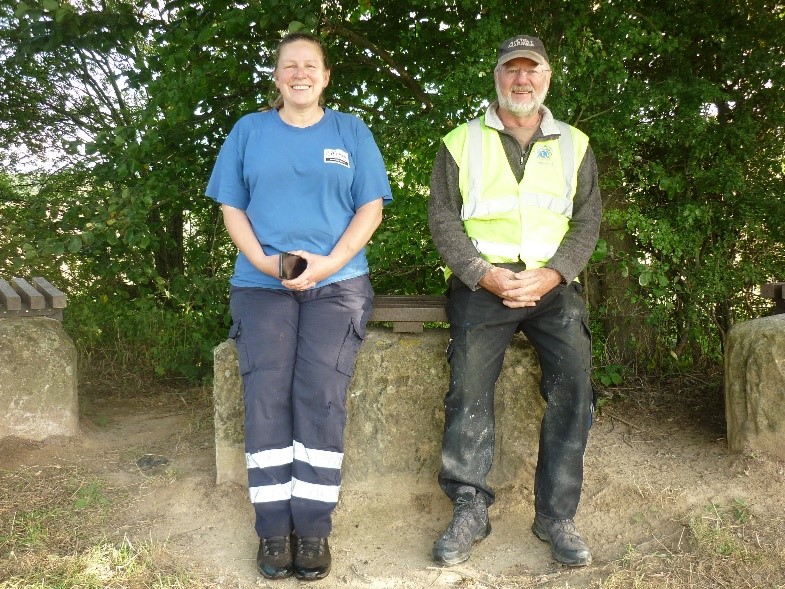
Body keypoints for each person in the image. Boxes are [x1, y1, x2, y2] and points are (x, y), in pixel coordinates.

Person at [205, 32, 392, 581]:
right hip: (261, 285)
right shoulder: (249, 131)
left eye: (311, 65)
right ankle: (271, 532)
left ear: (326, 76)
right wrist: (266, 264)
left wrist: (329, 263)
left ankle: (311, 531)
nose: (300, 73)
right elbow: (232, 208)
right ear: (277, 76)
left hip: (339, 283)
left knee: (319, 396)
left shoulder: (351, 131)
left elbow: (371, 209)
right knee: (267, 396)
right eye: (290, 66)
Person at [428, 34, 601, 568]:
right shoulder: (460, 142)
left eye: (532, 70)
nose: (521, 80)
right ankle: (469, 508)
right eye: (511, 70)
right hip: (484, 287)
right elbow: (443, 221)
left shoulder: (575, 143)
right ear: (497, 77)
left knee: (575, 382)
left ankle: (556, 516)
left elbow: (587, 220)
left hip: (552, 289)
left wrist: (554, 274)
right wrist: (485, 275)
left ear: (547, 78)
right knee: (469, 384)